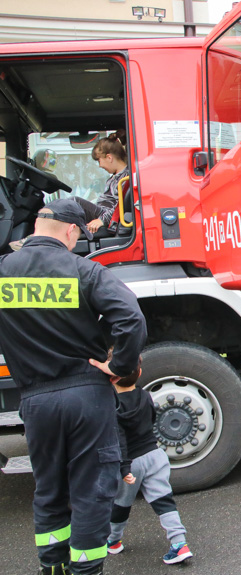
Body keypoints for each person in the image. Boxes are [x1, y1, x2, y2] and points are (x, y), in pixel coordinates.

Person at [0, 199, 147, 574]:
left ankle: (52, 567)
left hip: (35, 400)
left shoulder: (2, 272)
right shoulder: (84, 270)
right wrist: (120, 366)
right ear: (70, 231)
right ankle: (86, 570)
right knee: (91, 492)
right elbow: (130, 317)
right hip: (87, 397)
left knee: (49, 492)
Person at [106, 353, 193, 565]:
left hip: (132, 462)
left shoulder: (112, 406)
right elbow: (153, 419)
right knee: (164, 501)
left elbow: (120, 440)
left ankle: (114, 541)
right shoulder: (145, 396)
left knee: (121, 504)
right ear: (140, 373)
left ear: (110, 377)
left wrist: (124, 468)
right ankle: (180, 544)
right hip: (155, 456)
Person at [76, 131, 130, 235]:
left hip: (105, 214)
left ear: (109, 158)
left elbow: (119, 205)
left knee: (75, 202)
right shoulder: (114, 178)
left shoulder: (125, 178)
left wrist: (102, 220)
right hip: (102, 212)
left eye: (99, 161)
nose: (99, 165)